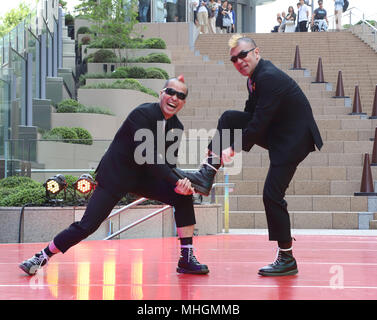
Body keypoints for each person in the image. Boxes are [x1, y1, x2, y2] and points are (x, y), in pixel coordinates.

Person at [19, 77, 210, 276]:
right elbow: (148, 154)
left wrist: (182, 185)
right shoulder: (142, 114)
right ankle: (42, 256)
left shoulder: (176, 128)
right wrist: (176, 180)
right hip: (116, 174)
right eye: (170, 92)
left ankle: (186, 259)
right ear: (161, 94)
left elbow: (168, 164)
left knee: (183, 196)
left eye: (180, 95)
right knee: (87, 225)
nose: (174, 98)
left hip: (144, 177)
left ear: (184, 102)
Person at [173, 34, 323, 277]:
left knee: (272, 195)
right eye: (234, 59)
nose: (239, 61)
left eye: (243, 54)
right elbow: (249, 115)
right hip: (279, 132)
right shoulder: (254, 79)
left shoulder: (269, 77)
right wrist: (217, 147)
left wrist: (232, 148)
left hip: (293, 140)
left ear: (256, 52)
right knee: (229, 118)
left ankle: (287, 257)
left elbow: (259, 122)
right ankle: (205, 175)